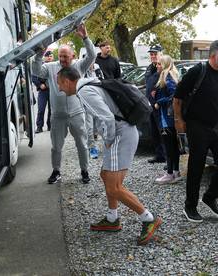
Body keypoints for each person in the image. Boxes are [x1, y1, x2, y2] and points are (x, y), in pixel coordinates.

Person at [56, 66, 162, 245]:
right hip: (123, 132)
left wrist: (108, 140)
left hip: (120, 135)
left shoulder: (84, 92)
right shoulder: (90, 85)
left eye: (59, 84)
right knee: (105, 176)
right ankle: (112, 219)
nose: (59, 88)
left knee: (114, 187)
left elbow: (106, 118)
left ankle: (148, 218)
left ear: (67, 81)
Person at [173, 40, 218, 222]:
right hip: (197, 125)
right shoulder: (198, 72)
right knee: (196, 167)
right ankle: (190, 206)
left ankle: (210, 197)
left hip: (217, 126)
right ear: (213, 55)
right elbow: (177, 98)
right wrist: (179, 121)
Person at [31, 24, 96, 184]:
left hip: (77, 113)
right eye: (60, 56)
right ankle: (56, 171)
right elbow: (36, 70)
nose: (62, 59)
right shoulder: (51, 68)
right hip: (58, 116)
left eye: (65, 57)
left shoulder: (79, 66)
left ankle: (84, 170)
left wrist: (85, 38)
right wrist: (39, 54)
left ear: (72, 56)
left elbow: (92, 55)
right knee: (56, 147)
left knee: (82, 144)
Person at [153, 55, 182, 184]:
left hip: (167, 117)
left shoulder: (167, 76)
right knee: (173, 147)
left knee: (169, 147)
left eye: (159, 64)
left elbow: (174, 95)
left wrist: (159, 101)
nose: (157, 65)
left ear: (165, 65)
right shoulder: (170, 75)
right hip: (170, 118)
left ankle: (170, 174)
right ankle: (175, 172)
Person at [145, 45, 166, 164]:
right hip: (150, 105)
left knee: (163, 132)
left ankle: (168, 158)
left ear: (161, 54)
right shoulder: (150, 67)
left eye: (155, 54)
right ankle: (159, 155)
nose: (153, 56)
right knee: (154, 132)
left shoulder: (164, 67)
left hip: (160, 105)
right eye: (151, 54)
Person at [83, 55, 104, 159]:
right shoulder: (81, 70)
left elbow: (102, 82)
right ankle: (92, 148)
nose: (91, 63)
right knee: (90, 127)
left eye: (92, 60)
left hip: (98, 101)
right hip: (87, 103)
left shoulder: (97, 68)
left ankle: (107, 146)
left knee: (101, 125)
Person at [32, 51, 53, 133]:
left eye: (51, 56)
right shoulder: (40, 65)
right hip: (42, 91)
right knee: (41, 109)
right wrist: (39, 85)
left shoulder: (54, 66)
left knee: (51, 109)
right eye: (48, 56)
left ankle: (50, 126)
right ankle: (39, 127)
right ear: (45, 57)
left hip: (52, 90)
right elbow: (33, 77)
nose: (49, 57)